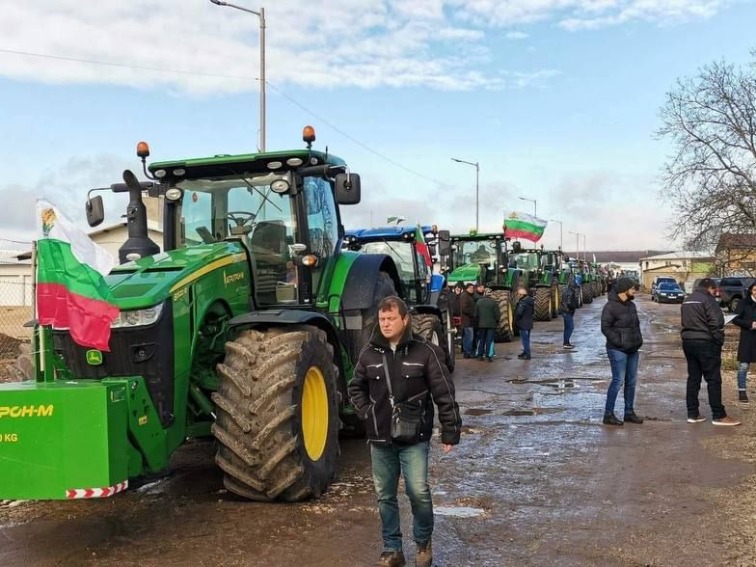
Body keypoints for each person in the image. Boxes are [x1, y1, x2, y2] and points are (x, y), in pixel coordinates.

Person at [348, 296, 462, 567]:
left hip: (414, 437)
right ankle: (392, 549)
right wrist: (367, 412)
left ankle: (422, 543)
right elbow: (355, 389)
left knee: (418, 492)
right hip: (380, 439)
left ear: (405, 319)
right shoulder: (369, 354)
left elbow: (444, 392)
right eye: (382, 319)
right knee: (385, 495)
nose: (385, 324)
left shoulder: (425, 352)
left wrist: (450, 430)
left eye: (390, 319)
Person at [681, 278, 741, 425]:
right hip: (706, 343)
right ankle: (719, 415)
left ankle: (692, 413)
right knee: (713, 379)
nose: (716, 292)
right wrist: (719, 340)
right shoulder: (708, 300)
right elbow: (717, 322)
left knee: (693, 378)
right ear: (710, 288)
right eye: (715, 290)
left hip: (688, 342)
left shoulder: (687, 300)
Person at [600, 278, 644, 426]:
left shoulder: (631, 305)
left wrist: (638, 341)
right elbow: (605, 328)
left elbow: (635, 326)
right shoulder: (610, 307)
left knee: (631, 382)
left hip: (633, 349)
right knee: (618, 381)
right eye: (632, 288)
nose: (634, 291)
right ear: (624, 290)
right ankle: (608, 414)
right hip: (617, 350)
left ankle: (629, 412)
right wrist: (619, 341)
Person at [732, 282, 756, 404]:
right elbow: (735, 319)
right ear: (751, 290)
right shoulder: (744, 303)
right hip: (748, 337)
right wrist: (750, 324)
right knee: (744, 366)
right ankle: (742, 391)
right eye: (755, 290)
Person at [475, 289, 500, 362]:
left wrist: (477, 323)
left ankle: (480, 355)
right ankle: (489, 355)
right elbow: (497, 315)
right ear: (490, 295)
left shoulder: (478, 302)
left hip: (481, 325)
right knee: (490, 340)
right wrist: (497, 322)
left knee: (481, 339)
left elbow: (476, 314)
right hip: (491, 325)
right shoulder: (493, 303)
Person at [515, 287, 534, 360]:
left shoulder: (522, 303)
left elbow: (519, 313)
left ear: (521, 295)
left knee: (525, 340)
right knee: (526, 339)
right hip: (529, 323)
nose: (518, 295)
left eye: (519, 294)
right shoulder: (530, 301)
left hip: (523, 324)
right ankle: (525, 352)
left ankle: (527, 354)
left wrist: (516, 319)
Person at [560, 279, 579, 349]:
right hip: (567, 311)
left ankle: (566, 342)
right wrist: (573, 306)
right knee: (570, 327)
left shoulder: (566, 290)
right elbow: (569, 302)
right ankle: (566, 343)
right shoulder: (570, 292)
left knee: (567, 328)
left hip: (564, 311)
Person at [459, 283, 476, 358]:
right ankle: (467, 352)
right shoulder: (464, 296)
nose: (472, 289)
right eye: (470, 288)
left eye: (472, 288)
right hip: (467, 321)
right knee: (469, 337)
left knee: (468, 337)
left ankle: (468, 352)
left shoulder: (469, 296)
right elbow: (464, 308)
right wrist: (473, 313)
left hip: (470, 321)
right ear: (467, 288)